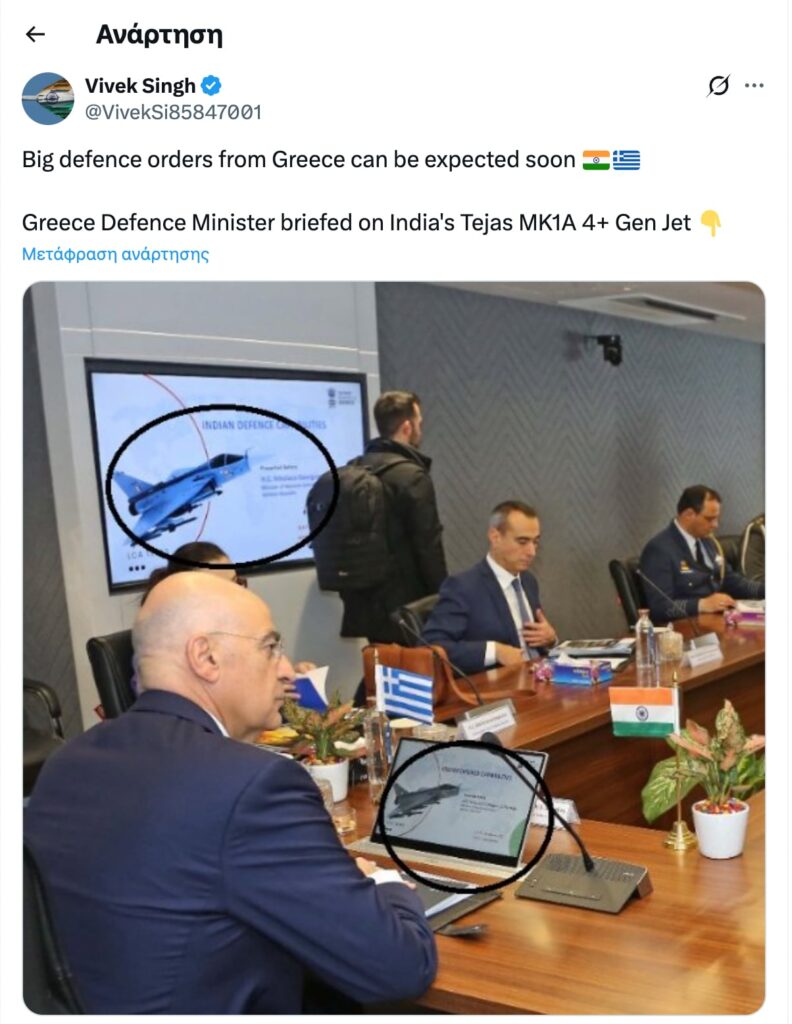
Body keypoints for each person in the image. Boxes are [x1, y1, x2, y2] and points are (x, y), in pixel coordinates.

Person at [25, 574, 437, 1014]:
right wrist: (385, 883)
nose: (286, 668)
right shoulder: (252, 787)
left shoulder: (66, 762)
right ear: (206, 657)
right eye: (270, 647)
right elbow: (400, 966)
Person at [340, 390, 447, 643]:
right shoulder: (411, 476)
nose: (420, 429)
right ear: (407, 427)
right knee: (415, 666)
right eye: (419, 423)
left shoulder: (353, 470)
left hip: (364, 602)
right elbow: (428, 546)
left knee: (380, 663)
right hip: (408, 605)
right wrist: (445, 599)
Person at [423, 501, 558, 675]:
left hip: (538, 676)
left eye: (535, 542)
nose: (532, 552)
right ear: (495, 537)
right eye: (522, 541)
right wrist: (494, 651)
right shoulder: (463, 587)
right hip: (499, 684)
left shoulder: (528, 581)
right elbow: (431, 647)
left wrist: (550, 639)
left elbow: (536, 643)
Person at [639, 485, 765, 621]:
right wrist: (701, 605)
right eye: (709, 519)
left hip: (715, 622)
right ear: (688, 515)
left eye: (717, 518)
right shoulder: (659, 549)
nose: (715, 525)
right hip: (684, 626)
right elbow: (660, 607)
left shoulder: (707, 542)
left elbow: (732, 582)